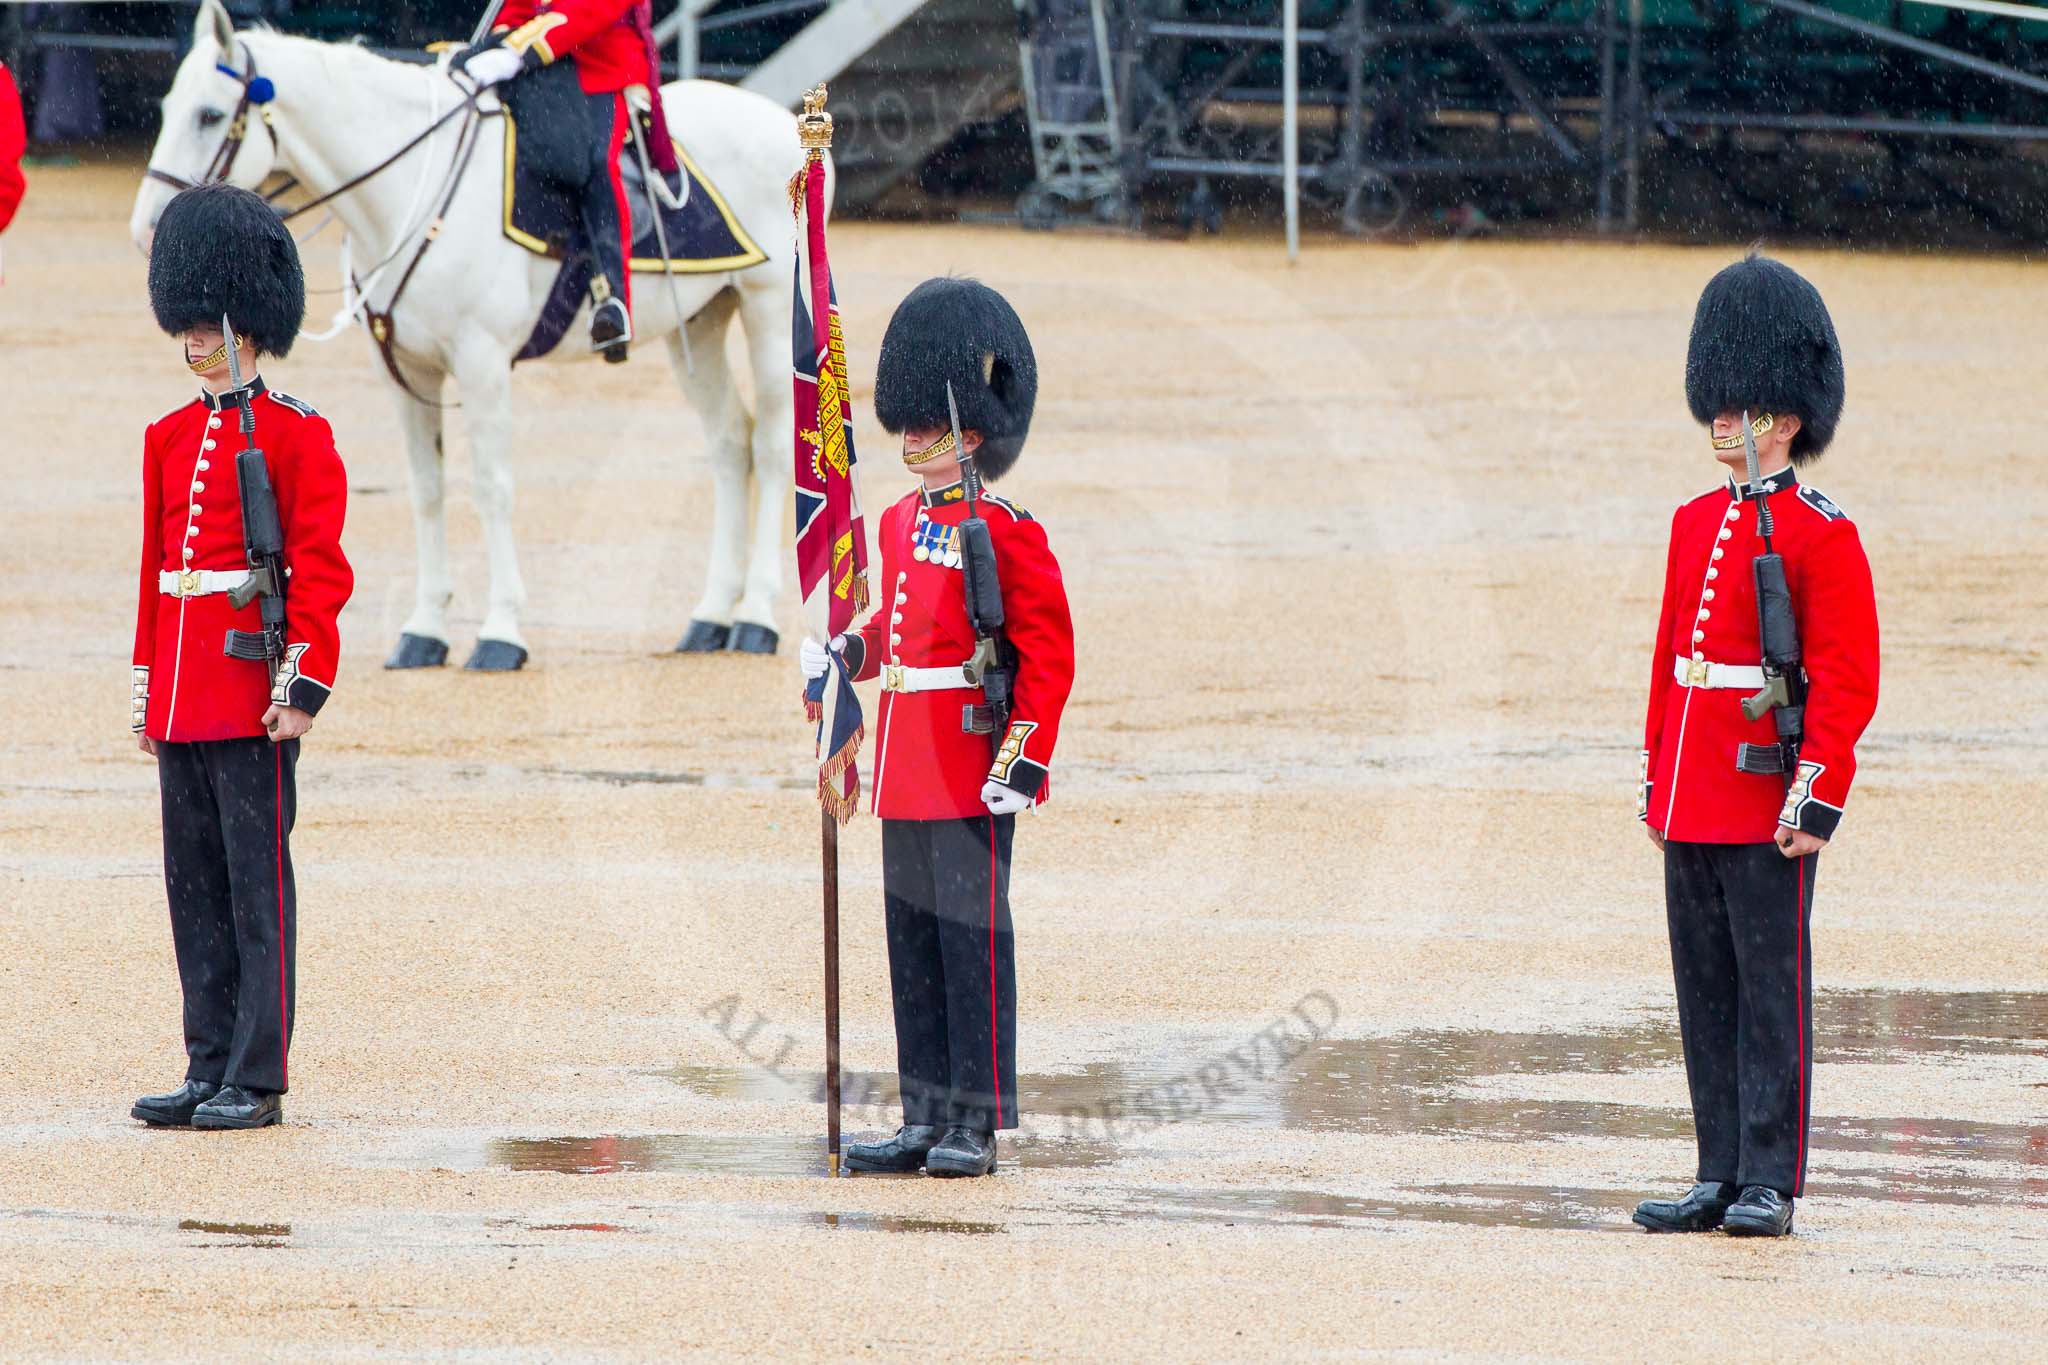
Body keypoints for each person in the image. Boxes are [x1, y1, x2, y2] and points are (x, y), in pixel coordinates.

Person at [802, 278, 1075, 1178]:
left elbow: (1047, 654)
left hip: (969, 760)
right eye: (908, 422)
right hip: (907, 767)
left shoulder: (1007, 531)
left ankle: (973, 1123)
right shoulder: (894, 520)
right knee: (911, 942)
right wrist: (846, 649)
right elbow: (900, 635)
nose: (911, 437)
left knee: (971, 945)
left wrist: (1023, 759)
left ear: (970, 433)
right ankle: (923, 1114)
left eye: (927, 423)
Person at [1633, 253, 1879, 1236]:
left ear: (1780, 417)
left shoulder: (1821, 534)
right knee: (1703, 989)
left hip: (1761, 791)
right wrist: (1656, 780)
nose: (1717, 422)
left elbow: (1845, 678)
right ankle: (1716, 1168)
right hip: (1695, 791)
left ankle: (1769, 1178)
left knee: (1769, 991)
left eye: (1734, 406)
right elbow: (1669, 663)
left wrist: (1813, 792)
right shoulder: (1692, 522)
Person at [130, 183, 354, 1131]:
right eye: (184, 328)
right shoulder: (169, 436)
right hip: (187, 693)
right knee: (195, 889)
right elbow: (156, 570)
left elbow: (321, 571)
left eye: (205, 328)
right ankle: (206, 1058)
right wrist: (148, 690)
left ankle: (256, 1074)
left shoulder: (299, 433)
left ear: (247, 323)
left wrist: (300, 685)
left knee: (256, 890)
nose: (193, 345)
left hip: (251, 691)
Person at [456, 0, 677, 362]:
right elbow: (518, 8)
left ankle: (611, 299)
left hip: (602, 64)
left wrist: (517, 51)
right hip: (544, 68)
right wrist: (499, 41)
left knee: (597, 164)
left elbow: (592, 11)